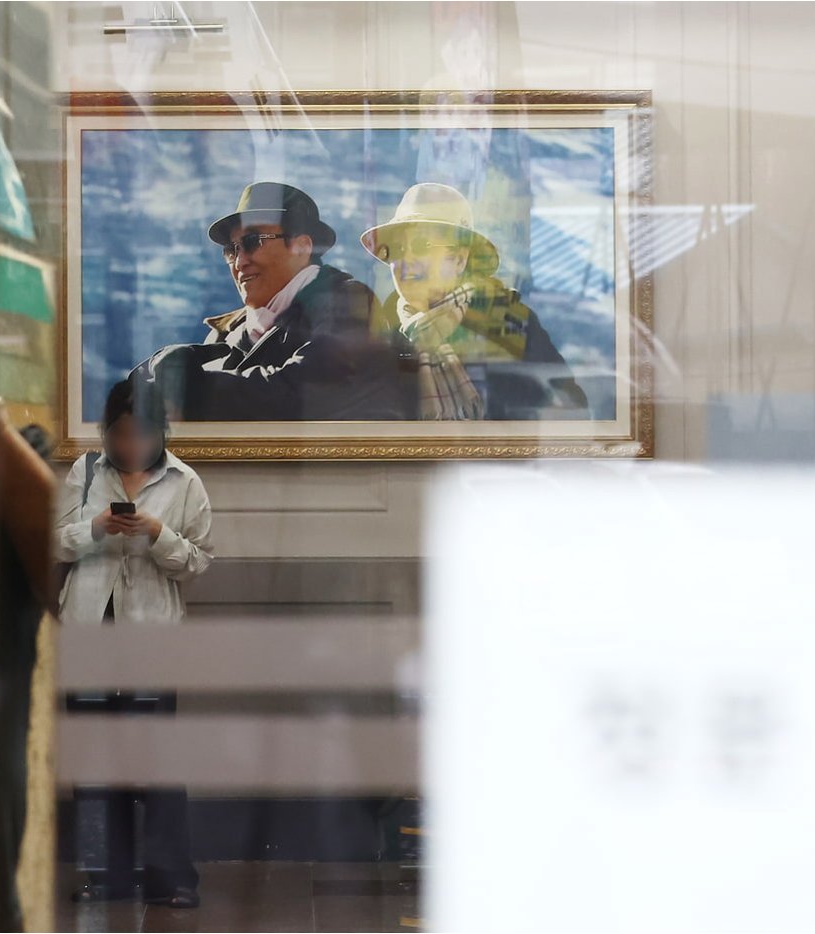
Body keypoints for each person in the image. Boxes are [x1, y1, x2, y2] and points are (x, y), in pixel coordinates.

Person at [53, 379, 211, 909]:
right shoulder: (84, 474)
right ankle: (107, 874)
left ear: (161, 432)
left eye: (142, 433)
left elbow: (197, 562)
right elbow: (55, 543)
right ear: (107, 432)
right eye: (120, 433)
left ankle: (172, 877)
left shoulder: (184, 481)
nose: (130, 445)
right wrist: (97, 527)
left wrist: (157, 534)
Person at [133, 181, 415, 421]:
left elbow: (303, 392)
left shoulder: (351, 304)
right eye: (231, 250)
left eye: (253, 241)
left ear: (302, 246)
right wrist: (160, 370)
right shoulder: (228, 333)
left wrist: (190, 387)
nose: (240, 262)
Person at [361, 182, 588, 420]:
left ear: (460, 260)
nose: (406, 260)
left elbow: (569, 412)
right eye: (397, 248)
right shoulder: (380, 330)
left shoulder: (506, 323)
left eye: (421, 245)